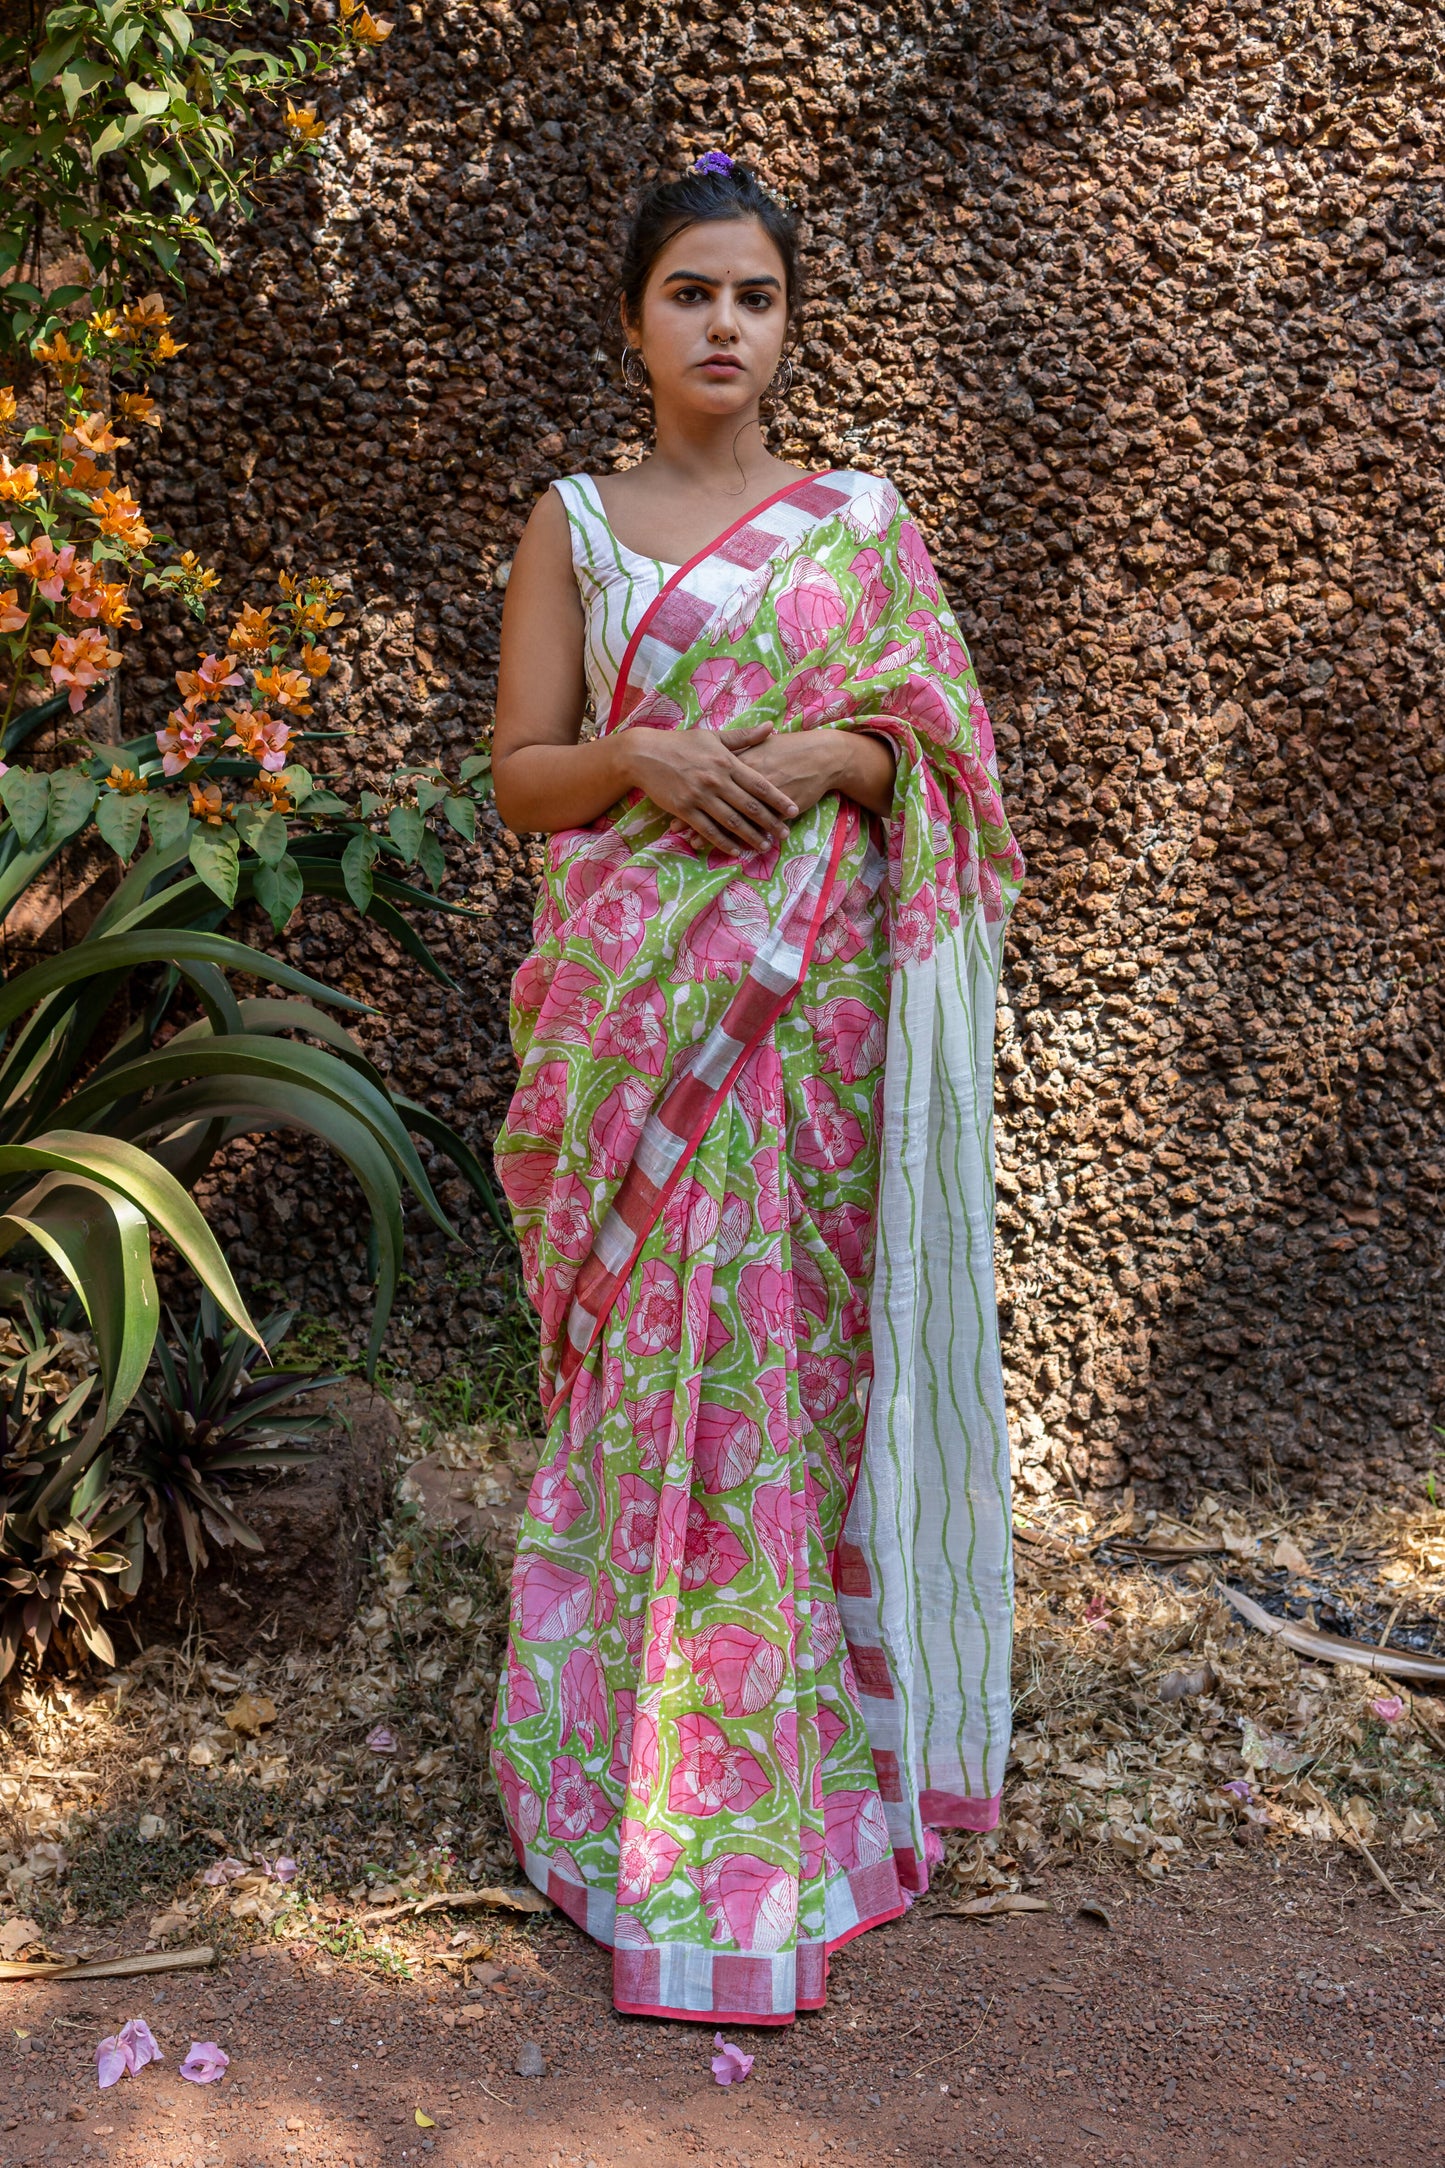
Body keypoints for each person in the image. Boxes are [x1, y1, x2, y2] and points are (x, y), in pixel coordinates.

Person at [489, 150, 1024, 2027]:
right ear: (635, 319)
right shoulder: (580, 523)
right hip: (639, 1024)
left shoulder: (861, 526)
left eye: (756, 296)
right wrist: (640, 755)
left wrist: (814, 754)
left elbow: (936, 757)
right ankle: (608, 1793)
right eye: (691, 293)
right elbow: (520, 780)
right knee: (651, 1392)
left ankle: (791, 1772)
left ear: (789, 324)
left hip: (802, 1043)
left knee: (787, 1384)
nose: (724, 324)